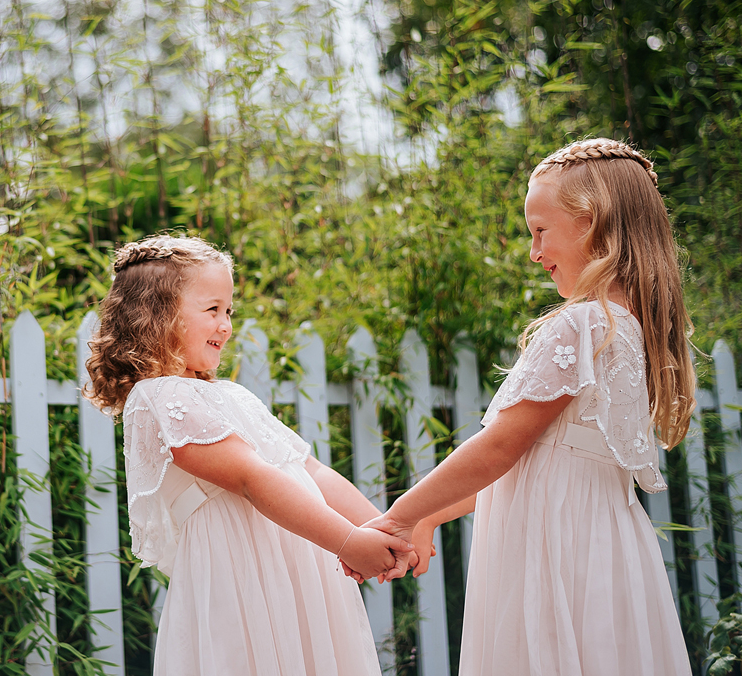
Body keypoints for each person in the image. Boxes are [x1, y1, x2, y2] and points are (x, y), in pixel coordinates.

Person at [364, 139, 694, 674]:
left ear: (591, 223)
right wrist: (431, 517)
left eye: (540, 232)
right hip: (603, 558)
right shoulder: (630, 334)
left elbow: (499, 449)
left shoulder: (583, 326)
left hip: (555, 562)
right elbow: (539, 466)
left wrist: (400, 516)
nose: (534, 253)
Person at [85, 234, 411, 676]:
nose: (226, 325)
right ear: (158, 316)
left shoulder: (230, 394)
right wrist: (349, 542)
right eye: (212, 310)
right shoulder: (158, 397)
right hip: (244, 585)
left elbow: (309, 470)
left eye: (229, 311)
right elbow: (250, 478)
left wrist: (387, 530)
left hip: (297, 573)